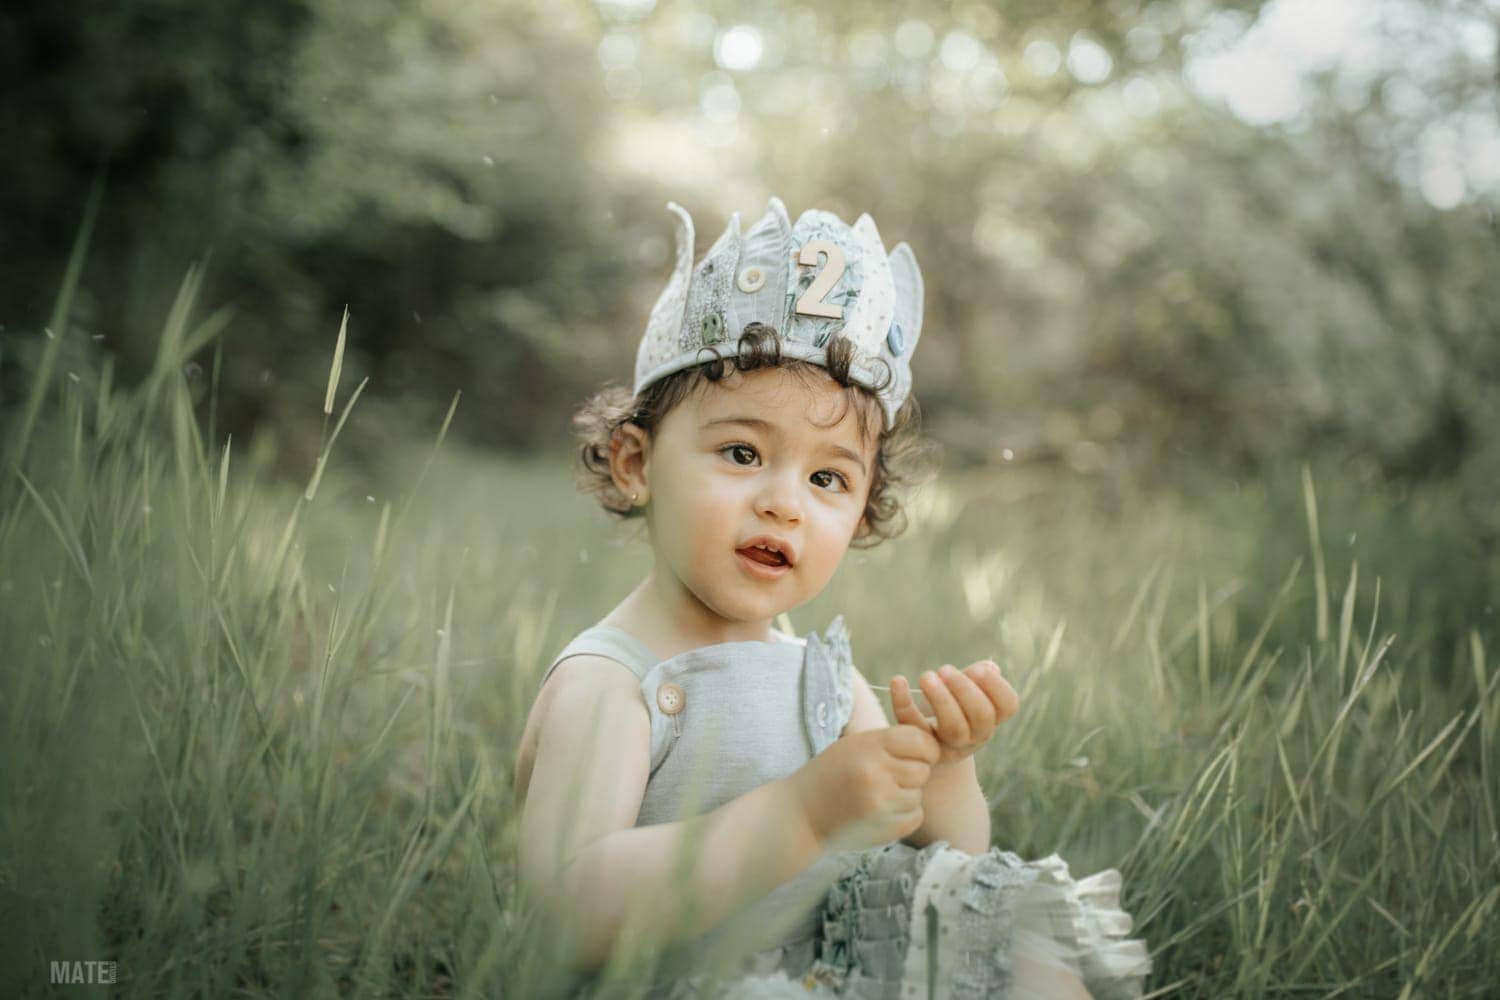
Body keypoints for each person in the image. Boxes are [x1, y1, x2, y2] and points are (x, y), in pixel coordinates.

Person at [513, 197, 1151, 998]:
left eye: (827, 478)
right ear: (637, 464)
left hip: (821, 973)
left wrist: (943, 775)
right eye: (742, 452)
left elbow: (934, 865)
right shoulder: (613, 682)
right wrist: (802, 817)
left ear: (861, 511)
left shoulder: (823, 680)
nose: (786, 502)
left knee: (1014, 944)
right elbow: (569, 910)